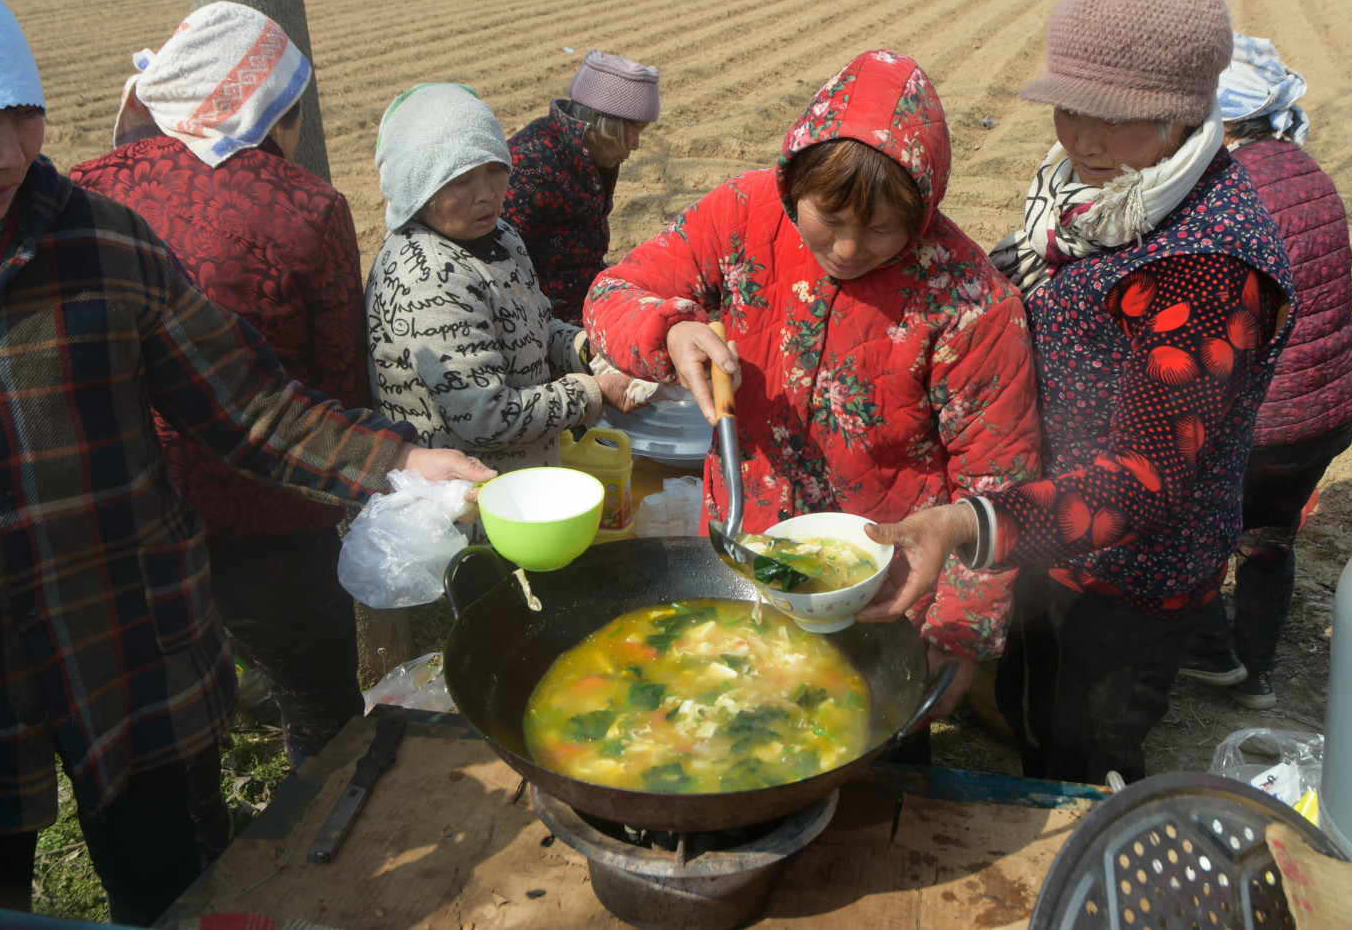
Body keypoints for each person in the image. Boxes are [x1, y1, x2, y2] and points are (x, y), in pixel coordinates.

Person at [0, 0, 492, 924]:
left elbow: (246, 402)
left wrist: (396, 459)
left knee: (175, 890)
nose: (9, 153)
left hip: (128, 649)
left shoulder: (99, 244)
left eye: (21, 114)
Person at [859, 0, 1299, 785]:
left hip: (1126, 578)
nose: (1084, 140)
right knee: (1033, 695)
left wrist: (963, 525)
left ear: (1184, 112)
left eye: (1117, 118)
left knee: (1082, 751)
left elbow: (1142, 480)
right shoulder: (1089, 199)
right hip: (1043, 531)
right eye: (1070, 108)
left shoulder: (1209, 268)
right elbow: (1013, 284)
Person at [583, 49, 1043, 715]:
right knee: (733, 719)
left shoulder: (971, 303)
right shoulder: (743, 216)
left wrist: (959, 631)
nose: (849, 249)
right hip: (748, 558)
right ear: (793, 181)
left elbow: (1000, 485)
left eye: (882, 228)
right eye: (827, 216)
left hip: (884, 589)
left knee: (865, 746)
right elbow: (614, 292)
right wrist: (672, 331)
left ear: (921, 212)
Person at [71, 2, 371, 765]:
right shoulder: (307, 207)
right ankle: (314, 839)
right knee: (322, 704)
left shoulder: (86, 193)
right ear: (272, 108)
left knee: (171, 730)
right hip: (268, 506)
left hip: (126, 513)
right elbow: (339, 377)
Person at [1178, 34, 1352, 709]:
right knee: (1268, 535)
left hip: (1262, 420)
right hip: (1332, 408)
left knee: (1188, 524)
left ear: (1218, 120)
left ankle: (1206, 653)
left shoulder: (1224, 191)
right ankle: (1254, 672)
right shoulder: (1308, 171)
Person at [365, 83, 640, 484]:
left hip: (518, 488)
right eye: (460, 180)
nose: (487, 194)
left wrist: (591, 350)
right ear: (419, 186)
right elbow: (486, 416)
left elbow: (537, 328)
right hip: (466, 509)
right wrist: (593, 391)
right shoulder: (428, 277)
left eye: (496, 168)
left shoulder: (501, 237)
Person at [501, 50, 659, 326]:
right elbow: (501, 262)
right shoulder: (532, 163)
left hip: (587, 293)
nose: (636, 145)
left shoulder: (595, 154)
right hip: (549, 317)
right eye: (634, 133)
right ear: (605, 128)